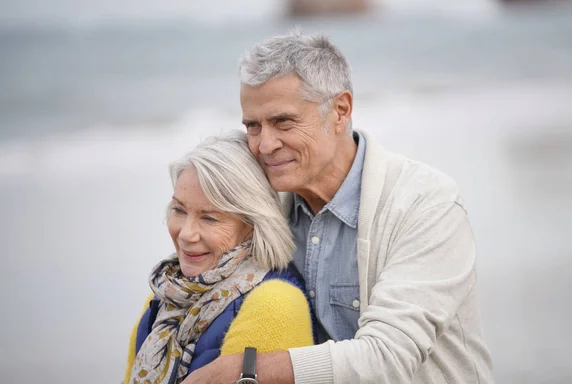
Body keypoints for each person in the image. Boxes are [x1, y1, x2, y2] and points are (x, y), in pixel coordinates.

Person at [182, 32, 494, 384]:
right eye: (252, 126)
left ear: (341, 110)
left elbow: (388, 358)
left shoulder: (427, 204)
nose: (265, 145)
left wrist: (246, 369)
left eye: (283, 121)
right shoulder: (260, 208)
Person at [123, 132, 314, 384]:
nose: (186, 234)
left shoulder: (274, 303)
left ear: (251, 225)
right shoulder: (164, 298)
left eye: (209, 218)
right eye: (179, 210)